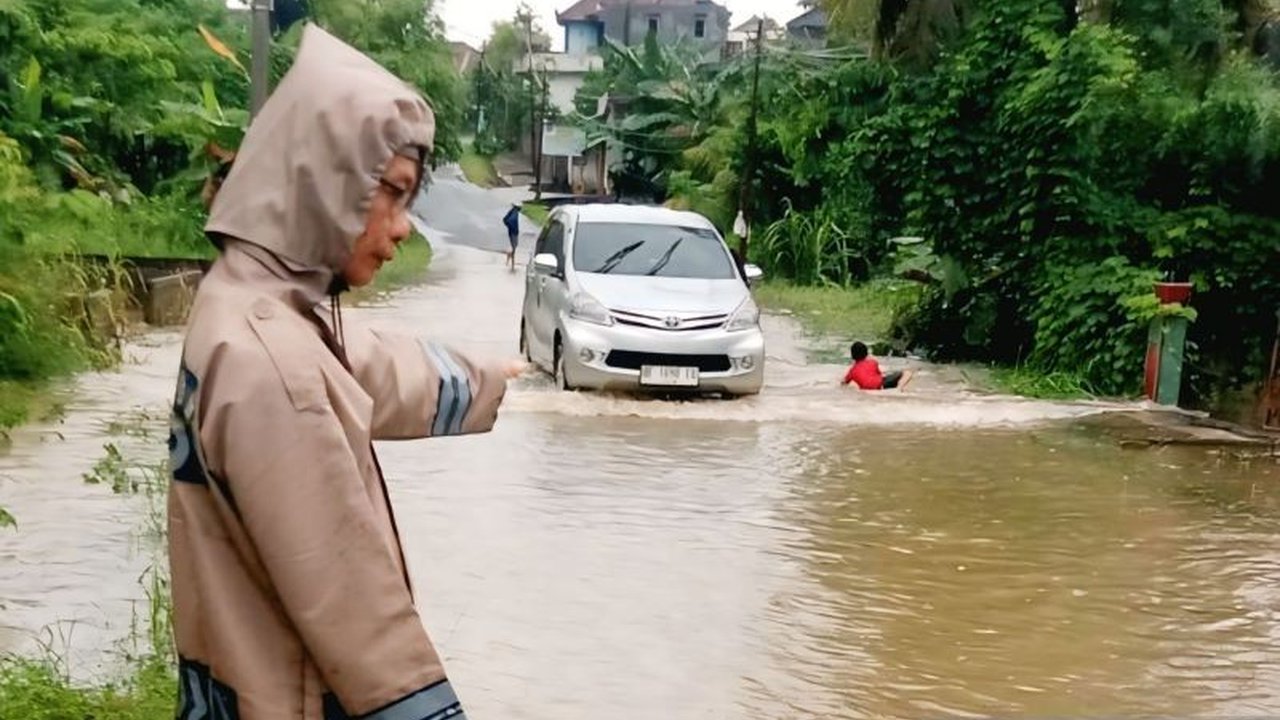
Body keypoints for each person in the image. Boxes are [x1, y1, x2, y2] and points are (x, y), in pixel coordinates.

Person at [167, 24, 521, 720]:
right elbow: (357, 616)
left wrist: (488, 376)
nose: (401, 228)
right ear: (325, 182)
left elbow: (363, 363)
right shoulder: (273, 368)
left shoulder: (245, 304)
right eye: (390, 192)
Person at [842, 341, 913, 390]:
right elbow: (879, 375)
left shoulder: (852, 371)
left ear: (852, 356)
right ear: (866, 353)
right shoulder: (873, 362)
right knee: (907, 372)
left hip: (868, 388)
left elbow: (843, 382)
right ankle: (899, 388)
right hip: (881, 385)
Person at [502, 202, 521, 270]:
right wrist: (512, 227)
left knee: (514, 247)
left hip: (511, 232)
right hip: (514, 233)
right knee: (514, 247)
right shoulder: (515, 213)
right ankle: (512, 264)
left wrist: (509, 226)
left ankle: (509, 261)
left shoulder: (511, 211)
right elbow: (510, 220)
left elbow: (504, 219)